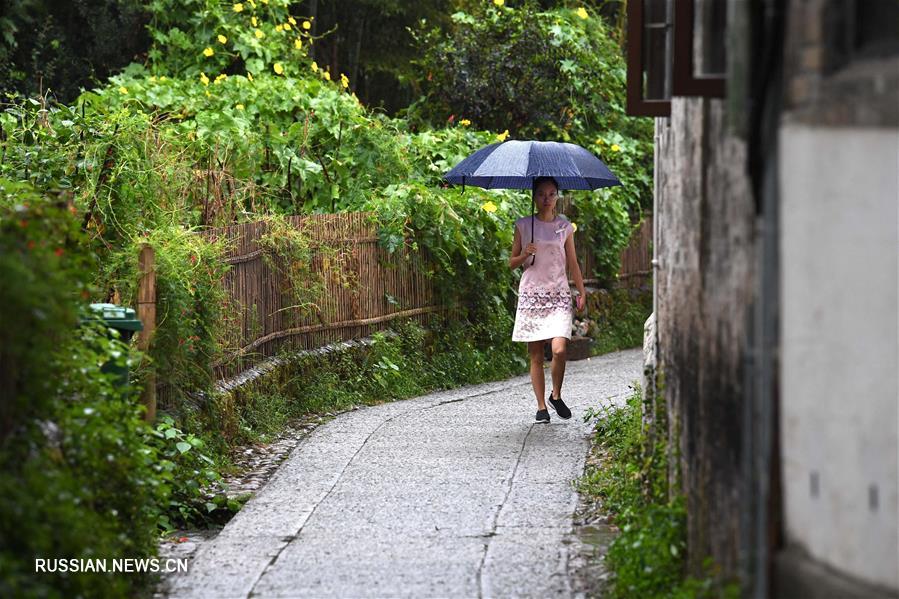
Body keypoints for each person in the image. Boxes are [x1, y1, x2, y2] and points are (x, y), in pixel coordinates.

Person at [509, 177, 587, 423]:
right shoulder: (523, 225)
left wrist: (582, 291)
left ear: (557, 197)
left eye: (551, 194)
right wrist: (524, 254)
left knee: (559, 349)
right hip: (533, 293)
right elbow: (511, 264)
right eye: (541, 194)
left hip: (559, 293)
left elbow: (572, 262)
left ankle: (556, 395)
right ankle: (541, 406)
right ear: (534, 196)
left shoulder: (565, 227)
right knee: (535, 354)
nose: (546, 199)